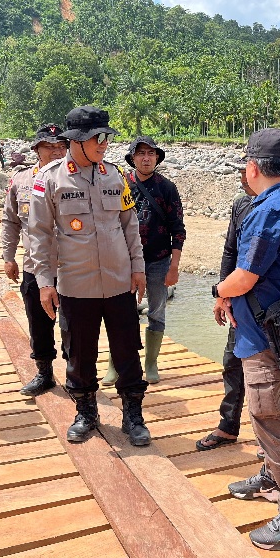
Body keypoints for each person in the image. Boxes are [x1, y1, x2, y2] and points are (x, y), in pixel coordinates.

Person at [212, 128, 280, 551]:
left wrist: (220, 291)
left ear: (253, 167)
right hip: (277, 330)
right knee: (269, 413)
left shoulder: (268, 210)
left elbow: (245, 276)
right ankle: (272, 479)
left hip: (264, 337)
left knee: (270, 419)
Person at [28, 105, 150, 447]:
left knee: (127, 350)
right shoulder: (49, 179)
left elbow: (130, 226)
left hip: (119, 283)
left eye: (106, 137)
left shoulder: (116, 176)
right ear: (76, 142)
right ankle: (85, 411)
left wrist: (138, 268)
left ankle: (133, 415)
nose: (104, 143)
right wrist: (44, 283)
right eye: (97, 137)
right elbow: (39, 234)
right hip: (75, 286)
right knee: (79, 352)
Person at [101, 136, 185, 385]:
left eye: (151, 153)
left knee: (157, 312)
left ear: (157, 158)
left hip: (159, 261)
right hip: (124, 261)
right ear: (132, 158)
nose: (146, 158)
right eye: (141, 154)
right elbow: (109, 221)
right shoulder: (121, 183)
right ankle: (114, 364)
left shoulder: (167, 188)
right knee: (120, 314)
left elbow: (178, 229)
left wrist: (174, 267)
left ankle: (150, 363)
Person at [2, 124, 68, 397]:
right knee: (38, 323)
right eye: (49, 147)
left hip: (71, 266)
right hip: (35, 265)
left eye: (60, 147)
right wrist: (8, 256)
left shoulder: (75, 179)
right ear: (36, 150)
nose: (55, 152)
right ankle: (44, 373)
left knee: (73, 323)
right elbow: (10, 219)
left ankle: (77, 372)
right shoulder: (20, 181)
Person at [196, 166, 256, 450]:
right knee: (232, 363)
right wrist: (222, 295)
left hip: (269, 307)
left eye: (247, 172)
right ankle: (228, 426)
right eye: (241, 173)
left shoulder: (279, 208)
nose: (242, 178)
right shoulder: (240, 205)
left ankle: (269, 440)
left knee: (269, 374)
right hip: (238, 302)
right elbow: (230, 251)